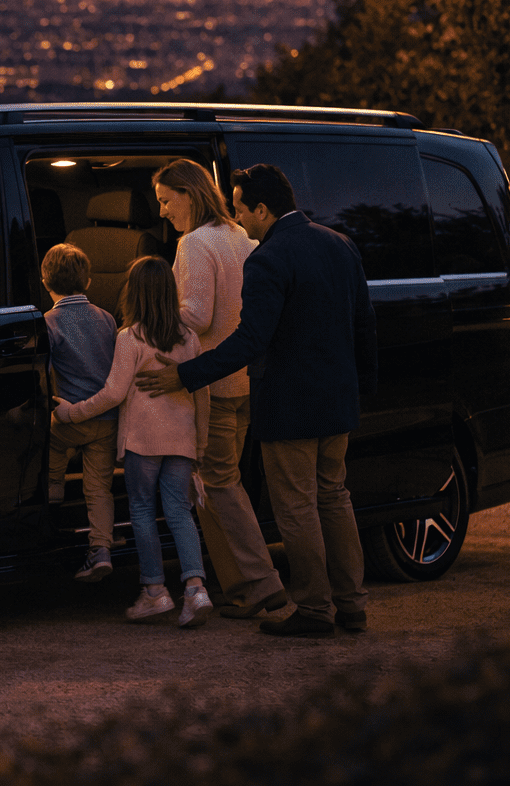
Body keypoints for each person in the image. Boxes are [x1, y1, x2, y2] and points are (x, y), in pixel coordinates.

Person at [136, 164, 377, 639]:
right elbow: (363, 325)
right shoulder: (340, 244)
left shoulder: (268, 258)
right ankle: (352, 605)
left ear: (263, 209)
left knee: (298, 508)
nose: (238, 219)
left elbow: (251, 341)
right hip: (338, 402)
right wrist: (361, 391)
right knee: (334, 497)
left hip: (290, 406)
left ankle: (313, 608)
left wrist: (184, 375)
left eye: (243, 209)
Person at [152, 159, 288, 619]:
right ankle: (239, 588)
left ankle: (264, 584)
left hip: (212, 386)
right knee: (214, 486)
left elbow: (196, 315)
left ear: (189, 195)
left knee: (219, 484)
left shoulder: (195, 243)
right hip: (246, 379)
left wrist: (142, 323)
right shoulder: (241, 238)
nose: (164, 211)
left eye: (167, 200)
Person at [54, 255, 212, 628]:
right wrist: (200, 444)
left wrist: (70, 413)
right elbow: (201, 392)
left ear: (134, 293)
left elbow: (112, 394)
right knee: (179, 511)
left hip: (143, 442)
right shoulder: (188, 338)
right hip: (182, 440)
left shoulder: (131, 337)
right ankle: (195, 588)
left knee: (142, 511)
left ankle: (154, 591)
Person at [40, 243, 119, 582]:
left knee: (50, 442)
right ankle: (100, 549)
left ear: (45, 282)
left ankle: (54, 486)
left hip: (69, 422)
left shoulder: (49, 323)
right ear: (88, 282)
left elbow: (44, 372)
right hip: (105, 419)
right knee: (99, 487)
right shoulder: (107, 318)